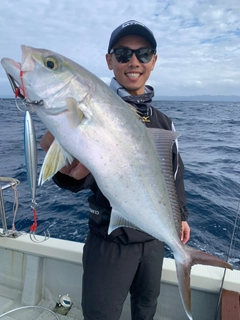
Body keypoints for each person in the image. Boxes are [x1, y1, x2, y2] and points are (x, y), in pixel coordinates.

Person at [40, 20, 190, 320]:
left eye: (144, 53)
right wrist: (69, 174)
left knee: (146, 310)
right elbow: (78, 175)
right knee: (101, 314)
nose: (133, 62)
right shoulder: (96, 107)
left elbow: (174, 175)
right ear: (109, 60)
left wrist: (182, 217)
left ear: (154, 61)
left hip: (154, 240)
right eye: (123, 54)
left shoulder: (164, 122)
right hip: (110, 241)